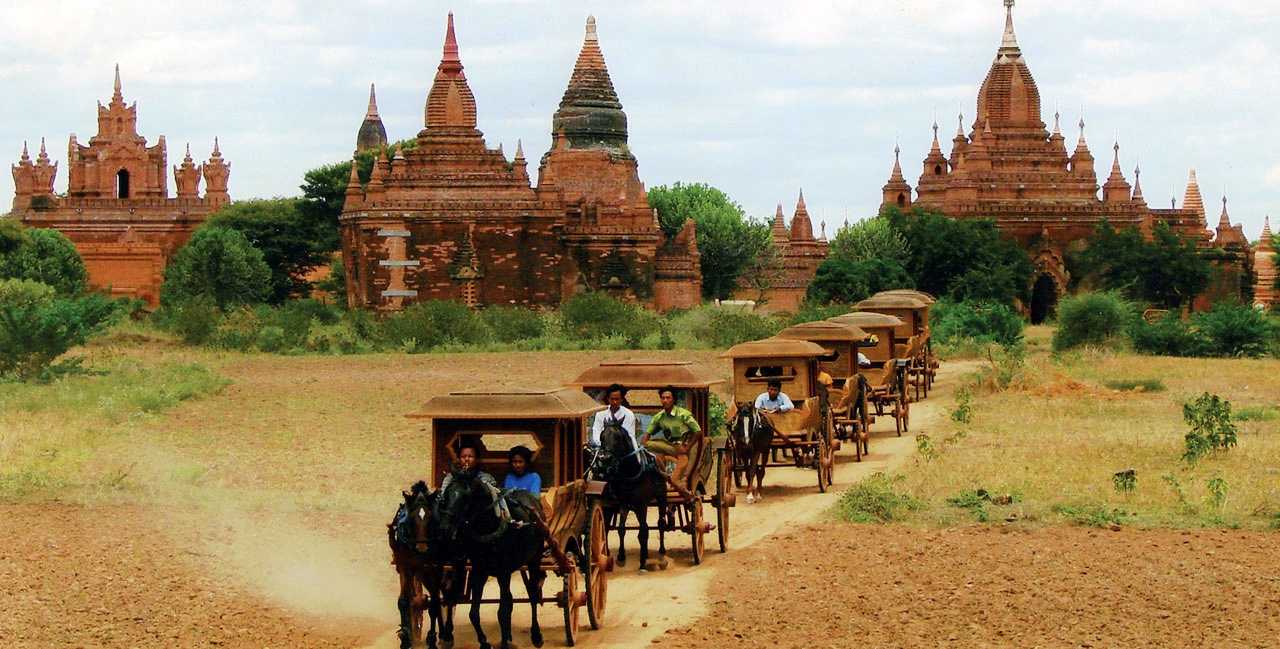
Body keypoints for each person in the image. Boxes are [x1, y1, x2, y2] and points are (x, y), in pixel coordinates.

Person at [641, 385, 702, 481]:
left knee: (648, 445)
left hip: (680, 447)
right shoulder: (660, 416)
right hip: (668, 445)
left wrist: (687, 447)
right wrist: (642, 446)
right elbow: (647, 433)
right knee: (645, 446)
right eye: (663, 398)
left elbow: (698, 432)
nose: (665, 401)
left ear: (673, 400)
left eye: (668, 398)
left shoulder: (683, 415)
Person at [590, 383, 638, 449]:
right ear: (608, 399)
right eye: (612, 399)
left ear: (622, 399)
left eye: (617, 399)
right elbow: (596, 432)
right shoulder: (600, 413)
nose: (614, 402)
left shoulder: (629, 415)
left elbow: (630, 435)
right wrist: (604, 444)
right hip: (603, 447)